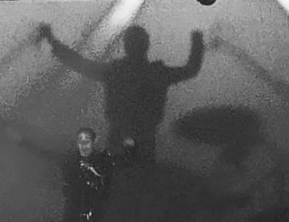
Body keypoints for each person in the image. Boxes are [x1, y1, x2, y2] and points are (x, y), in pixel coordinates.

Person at [38, 24, 204, 166]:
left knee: (121, 177)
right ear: (146, 44)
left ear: (126, 45)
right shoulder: (154, 73)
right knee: (135, 178)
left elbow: (80, 63)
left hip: (126, 138)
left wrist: (52, 40)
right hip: (137, 139)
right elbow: (190, 69)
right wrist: (197, 41)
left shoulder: (117, 72)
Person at [61, 128, 112, 222]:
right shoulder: (71, 162)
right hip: (75, 217)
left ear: (94, 142)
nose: (83, 145)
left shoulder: (103, 161)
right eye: (80, 141)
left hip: (97, 217)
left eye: (87, 141)